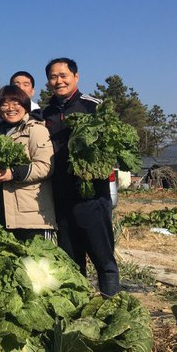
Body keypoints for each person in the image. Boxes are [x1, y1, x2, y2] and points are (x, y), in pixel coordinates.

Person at [42, 57, 120, 296]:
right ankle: (80, 308)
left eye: (63, 75)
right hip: (61, 195)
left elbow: (113, 145)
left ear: (76, 77)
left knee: (102, 258)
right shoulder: (46, 112)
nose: (59, 81)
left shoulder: (93, 106)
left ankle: (111, 306)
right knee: (71, 259)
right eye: (53, 77)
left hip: (92, 196)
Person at [0, 85, 55, 241]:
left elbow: (46, 166)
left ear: (25, 105)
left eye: (16, 103)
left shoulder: (35, 129)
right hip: (5, 214)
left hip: (33, 216)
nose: (10, 108)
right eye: (4, 104)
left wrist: (13, 174)